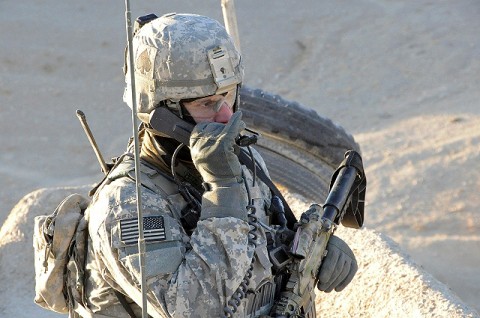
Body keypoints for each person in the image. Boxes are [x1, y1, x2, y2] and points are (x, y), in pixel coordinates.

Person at [82, 13, 358, 318]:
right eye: (205, 103)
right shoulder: (128, 204)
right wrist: (223, 192)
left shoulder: (238, 159)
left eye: (227, 95)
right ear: (162, 113)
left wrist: (316, 251)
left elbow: (263, 242)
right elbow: (198, 310)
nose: (227, 115)